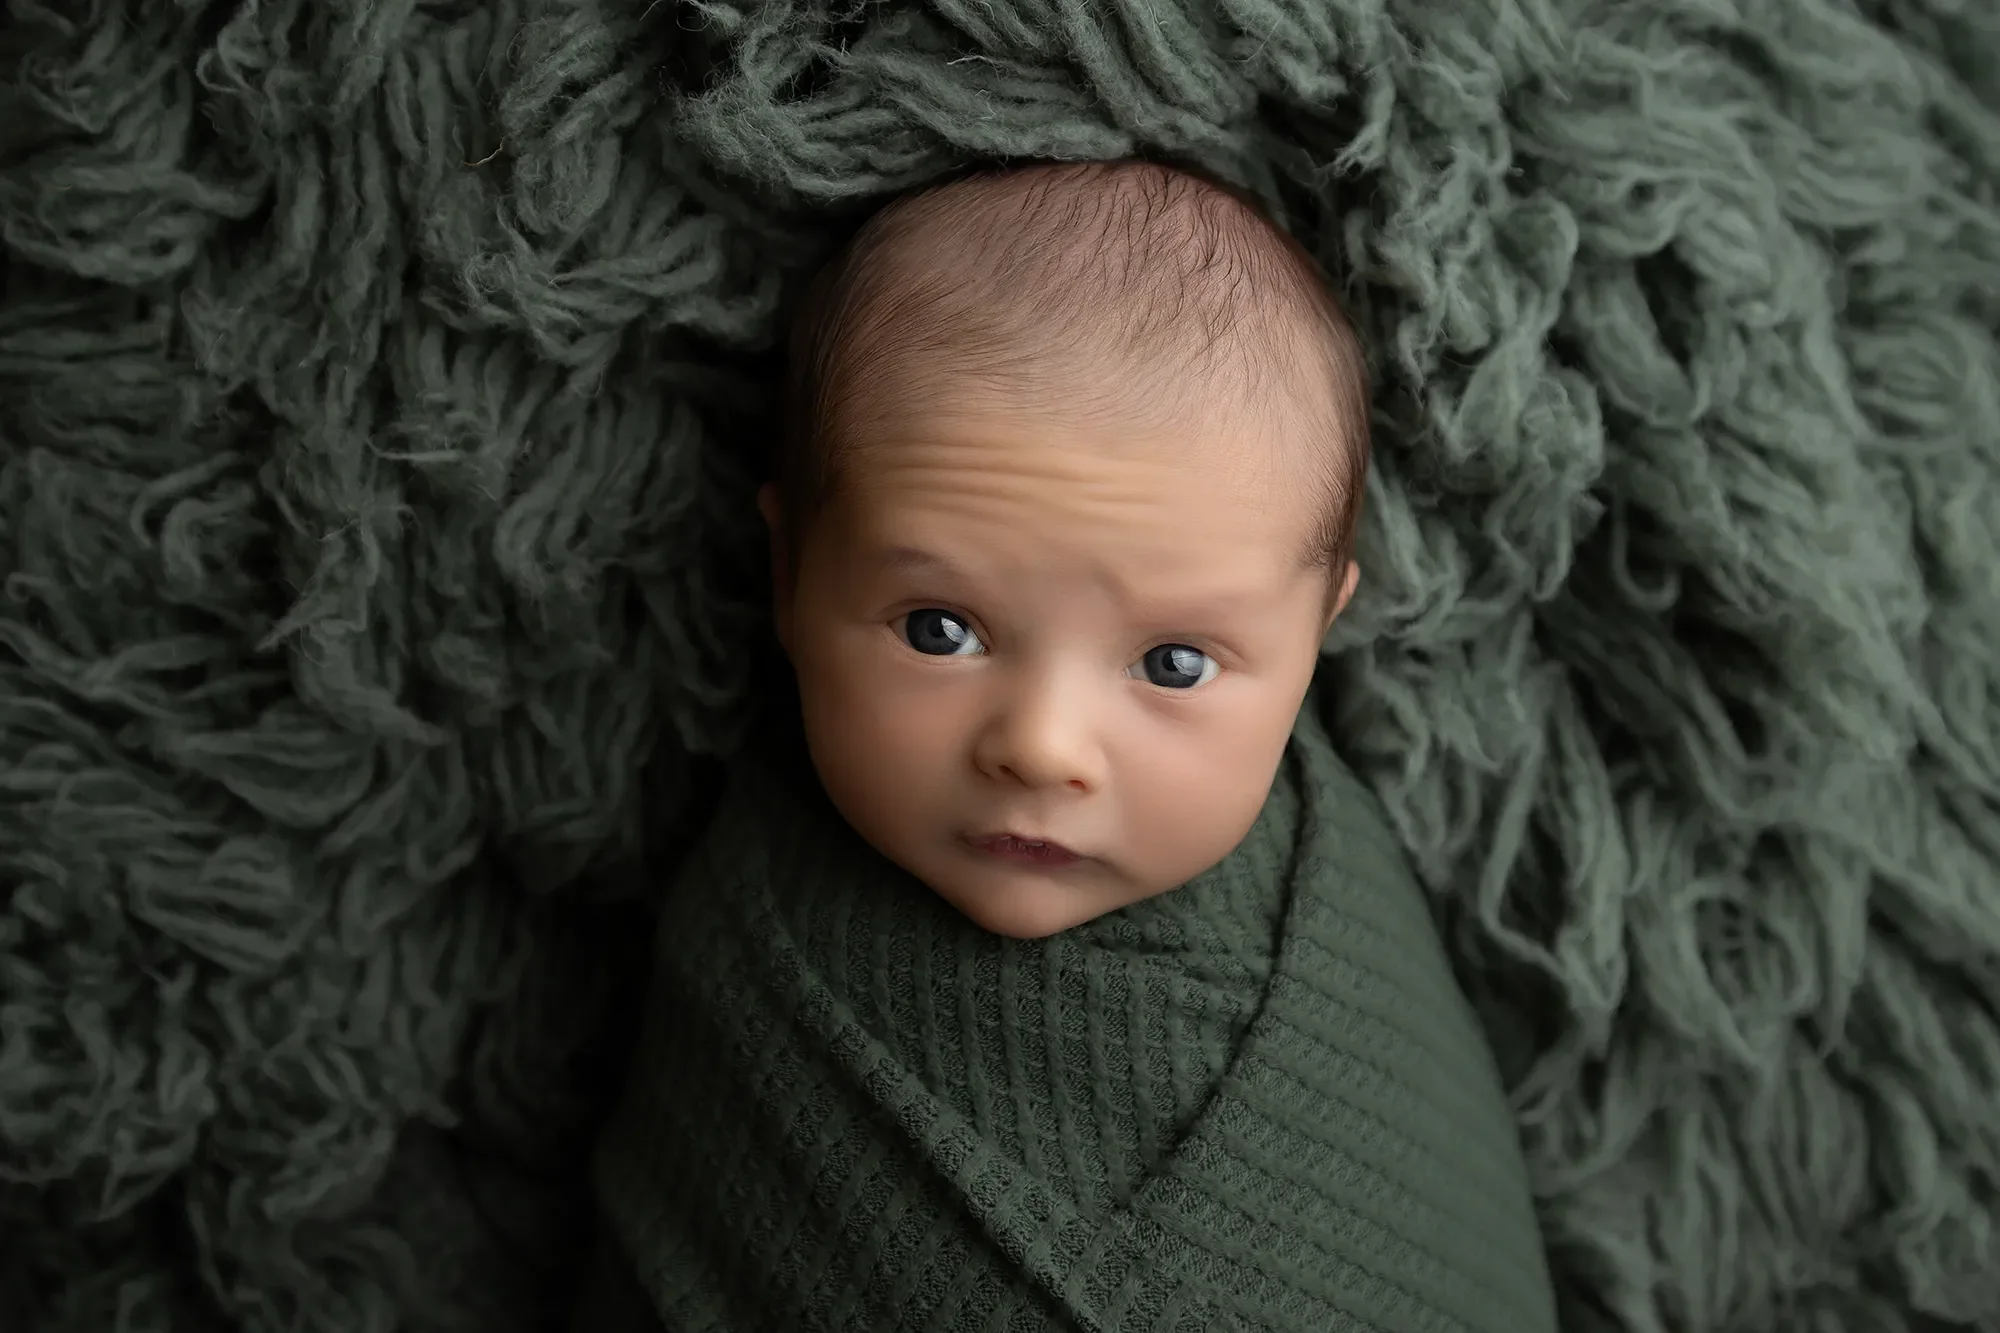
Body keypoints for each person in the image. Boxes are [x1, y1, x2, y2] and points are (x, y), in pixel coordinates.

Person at [575, 159, 1558, 1333]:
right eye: (939, 631)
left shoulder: (1323, 944)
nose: (1041, 749)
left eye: (1174, 665)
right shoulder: (753, 914)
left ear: (1315, 638)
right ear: (790, 578)